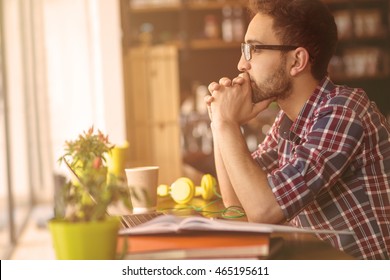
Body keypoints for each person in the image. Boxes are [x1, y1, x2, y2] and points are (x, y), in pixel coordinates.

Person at [205, 0, 390, 260]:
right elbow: (237, 204)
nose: (241, 64)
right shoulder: (289, 121)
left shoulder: (343, 112)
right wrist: (219, 120)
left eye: (253, 50)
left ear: (297, 61)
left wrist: (227, 124)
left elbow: (263, 211)